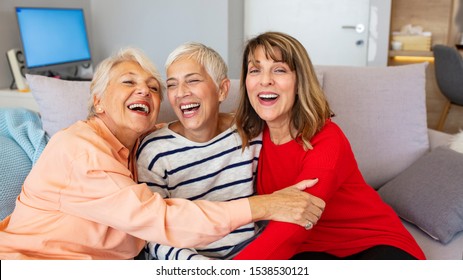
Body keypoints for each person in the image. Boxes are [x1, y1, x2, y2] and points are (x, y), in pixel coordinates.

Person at [0, 47, 324, 260]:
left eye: (153, 88)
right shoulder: (79, 150)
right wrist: (265, 206)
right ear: (97, 101)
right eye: (128, 82)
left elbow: (198, 126)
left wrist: (234, 123)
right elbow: (161, 220)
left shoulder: (137, 143)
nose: (144, 91)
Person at [232, 31, 426, 260]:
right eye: (255, 70)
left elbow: (294, 223)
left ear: (298, 83)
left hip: (371, 244)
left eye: (279, 69)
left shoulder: (326, 138)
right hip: (310, 250)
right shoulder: (250, 138)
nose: (265, 80)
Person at [138, 42, 266, 259]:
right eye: (171, 85)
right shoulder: (155, 152)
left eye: (193, 80)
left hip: (250, 253)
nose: (180, 93)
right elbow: (153, 233)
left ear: (222, 90)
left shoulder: (251, 133)